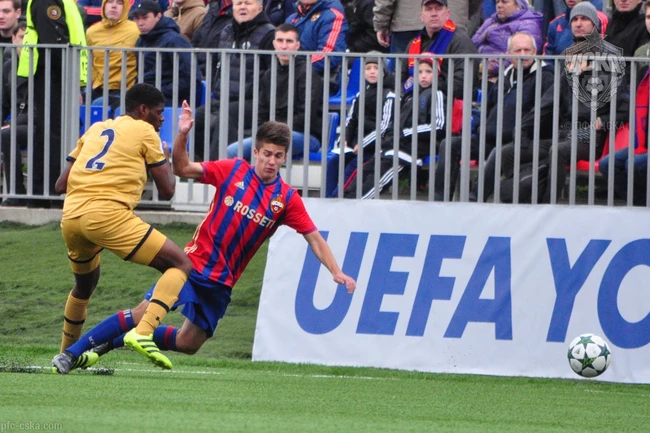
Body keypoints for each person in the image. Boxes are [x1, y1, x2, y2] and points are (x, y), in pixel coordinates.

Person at [52, 111, 357, 374]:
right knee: (142, 314)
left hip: (223, 282)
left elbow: (314, 238)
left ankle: (111, 343)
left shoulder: (286, 199)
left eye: (278, 156)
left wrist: (336, 271)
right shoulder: (232, 170)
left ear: (285, 158)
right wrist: (183, 134)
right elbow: (183, 168)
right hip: (193, 265)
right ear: (256, 152)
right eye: (267, 153)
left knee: (189, 343)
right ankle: (71, 354)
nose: (271, 161)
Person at [51, 83, 193, 374]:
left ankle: (66, 355)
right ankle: (144, 331)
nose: (162, 118)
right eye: (159, 112)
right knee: (180, 264)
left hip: (72, 217)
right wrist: (164, 156)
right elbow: (167, 190)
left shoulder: (96, 129)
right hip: (108, 216)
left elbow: (60, 184)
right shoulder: (146, 131)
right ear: (143, 110)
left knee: (84, 285)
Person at [436, 32, 554, 202]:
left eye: (527, 50)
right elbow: (487, 108)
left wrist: (520, 133)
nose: (523, 55)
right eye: (518, 50)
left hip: (521, 142)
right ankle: (439, 201)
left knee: (499, 151)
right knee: (450, 144)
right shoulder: (505, 77)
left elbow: (543, 114)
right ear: (508, 54)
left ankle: (474, 200)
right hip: (490, 138)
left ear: (535, 52)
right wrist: (480, 127)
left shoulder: (546, 76)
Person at [17, 0, 87, 208]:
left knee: (50, 134)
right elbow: (55, 43)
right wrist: (70, 78)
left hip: (55, 76)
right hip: (52, 76)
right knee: (53, 135)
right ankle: (50, 193)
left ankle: (44, 193)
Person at [344, 58, 441, 199]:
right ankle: (346, 200)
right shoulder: (410, 96)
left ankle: (356, 204)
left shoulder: (437, 94)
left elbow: (438, 126)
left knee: (375, 181)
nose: (423, 76)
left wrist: (405, 133)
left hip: (409, 151)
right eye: (420, 72)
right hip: (392, 146)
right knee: (364, 172)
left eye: (428, 72)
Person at [226, 23, 324, 161]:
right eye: (280, 40)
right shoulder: (269, 74)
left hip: (304, 135)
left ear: (297, 45)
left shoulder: (308, 74)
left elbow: (306, 117)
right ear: (274, 44)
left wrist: (274, 130)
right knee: (232, 150)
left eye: (289, 41)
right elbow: (261, 112)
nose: (284, 46)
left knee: (254, 149)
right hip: (273, 134)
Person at [193, 0, 275, 160]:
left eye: (248, 3)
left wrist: (254, 89)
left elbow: (271, 73)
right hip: (223, 98)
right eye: (238, 4)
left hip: (254, 101)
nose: (242, 7)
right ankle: (197, 167)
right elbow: (216, 63)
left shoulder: (269, 34)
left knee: (228, 114)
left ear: (260, 8)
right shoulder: (227, 31)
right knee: (198, 115)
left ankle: (218, 166)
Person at [326, 52, 395, 197]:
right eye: (368, 68)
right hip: (355, 146)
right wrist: (344, 139)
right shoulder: (360, 95)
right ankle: (327, 198)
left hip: (374, 149)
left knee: (351, 170)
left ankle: (337, 199)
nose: (372, 71)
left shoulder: (390, 95)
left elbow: (384, 127)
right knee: (333, 162)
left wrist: (363, 144)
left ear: (383, 71)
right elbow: (351, 121)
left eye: (376, 68)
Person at [132, 0, 201, 105]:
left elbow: (190, 78)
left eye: (145, 18)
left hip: (170, 99)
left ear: (158, 16)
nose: (140, 23)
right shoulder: (141, 41)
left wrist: (160, 93)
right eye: (137, 19)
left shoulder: (175, 41)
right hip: (146, 96)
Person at [85, 0, 139, 112]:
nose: (114, 6)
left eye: (119, 3)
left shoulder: (136, 30)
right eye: (110, 2)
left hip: (126, 90)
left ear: (125, 7)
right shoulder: (91, 32)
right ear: (104, 5)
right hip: (97, 89)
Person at [471, 0, 542, 80]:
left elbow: (519, 55)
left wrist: (489, 68)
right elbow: (473, 44)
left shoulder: (528, 24)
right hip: (478, 70)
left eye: (504, 2)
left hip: (504, 76)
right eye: (497, 2)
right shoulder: (489, 21)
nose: (499, 5)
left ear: (518, 5)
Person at [286, 0, 349, 86]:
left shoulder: (333, 16)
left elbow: (329, 54)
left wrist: (296, 68)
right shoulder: (292, 19)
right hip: (292, 77)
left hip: (321, 81)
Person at [0, 21, 27, 206]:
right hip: (16, 121)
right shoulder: (9, 66)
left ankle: (16, 193)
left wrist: (11, 124)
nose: (25, 43)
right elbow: (3, 103)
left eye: (28, 38)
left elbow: (37, 109)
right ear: (13, 39)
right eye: (21, 37)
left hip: (36, 122)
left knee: (8, 134)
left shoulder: (40, 66)